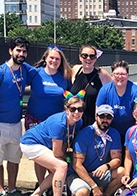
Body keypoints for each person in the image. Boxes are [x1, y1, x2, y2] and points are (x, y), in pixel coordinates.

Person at [20, 91, 85, 196]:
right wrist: (67, 158)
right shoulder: (59, 123)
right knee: (62, 166)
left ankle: (36, 194)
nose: (76, 112)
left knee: (59, 169)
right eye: (73, 109)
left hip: (43, 145)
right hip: (30, 143)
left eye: (80, 109)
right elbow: (57, 152)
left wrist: (67, 157)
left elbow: (64, 143)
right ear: (66, 109)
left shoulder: (78, 122)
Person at [25, 45, 72, 187]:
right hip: (35, 120)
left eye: (57, 59)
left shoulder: (65, 76)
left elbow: (72, 97)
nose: (54, 61)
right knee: (39, 158)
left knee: (56, 156)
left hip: (56, 124)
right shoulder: (35, 73)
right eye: (51, 57)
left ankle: (53, 185)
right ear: (46, 58)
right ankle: (41, 185)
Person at [0, 36, 36, 196]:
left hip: (16, 123)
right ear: (10, 51)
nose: (21, 53)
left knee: (14, 158)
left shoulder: (25, 69)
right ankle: (1, 189)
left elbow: (42, 71)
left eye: (24, 51)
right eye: (18, 50)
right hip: (0, 122)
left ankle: (13, 188)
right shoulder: (2, 72)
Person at [67, 104, 124, 196]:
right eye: (102, 116)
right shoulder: (85, 134)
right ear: (96, 116)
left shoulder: (114, 133)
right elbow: (77, 165)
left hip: (98, 173)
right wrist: (94, 187)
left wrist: (107, 166)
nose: (105, 120)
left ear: (112, 119)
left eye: (108, 117)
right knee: (82, 192)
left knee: (121, 172)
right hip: (78, 174)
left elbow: (117, 159)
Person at [96, 60, 137, 150]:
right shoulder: (105, 90)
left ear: (128, 76)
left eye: (123, 74)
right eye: (116, 74)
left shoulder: (136, 92)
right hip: (110, 130)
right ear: (112, 75)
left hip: (130, 131)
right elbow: (97, 114)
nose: (120, 77)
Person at [71, 45, 112, 127]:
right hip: (74, 120)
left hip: (91, 122)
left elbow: (116, 86)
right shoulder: (75, 70)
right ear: (80, 57)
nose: (88, 58)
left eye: (92, 56)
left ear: (96, 58)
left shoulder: (102, 74)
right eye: (85, 55)